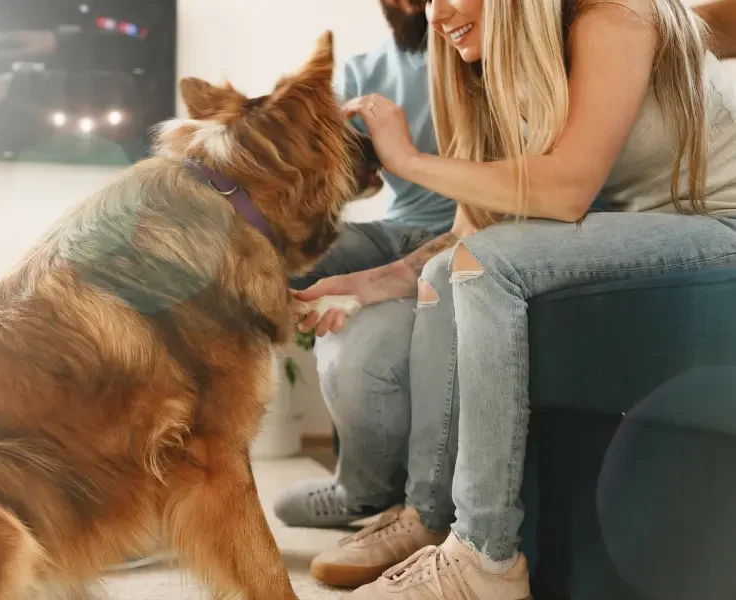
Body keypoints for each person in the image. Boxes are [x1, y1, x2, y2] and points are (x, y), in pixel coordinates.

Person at [295, 0, 736, 598]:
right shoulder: (503, 69)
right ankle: (427, 518)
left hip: (721, 226)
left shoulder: (612, 16)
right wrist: (364, 285)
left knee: (489, 264)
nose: (435, 12)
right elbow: (464, 233)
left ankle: (486, 556)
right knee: (448, 270)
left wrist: (408, 160)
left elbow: (569, 189)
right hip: (654, 231)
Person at [273, 0, 459, 537]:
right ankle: (146, 479)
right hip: (390, 230)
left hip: (463, 231)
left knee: (355, 339)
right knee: (234, 261)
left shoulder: (483, 63)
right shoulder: (363, 70)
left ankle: (361, 494)